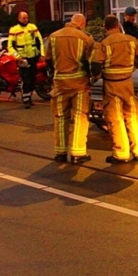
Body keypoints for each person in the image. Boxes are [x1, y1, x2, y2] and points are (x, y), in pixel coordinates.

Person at [91, 15, 138, 164]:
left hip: (112, 86)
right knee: (132, 117)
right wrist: (131, 69)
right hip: (128, 84)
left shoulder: (103, 44)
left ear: (105, 27)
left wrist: (96, 77)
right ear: (118, 25)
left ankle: (121, 153)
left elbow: (95, 66)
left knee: (115, 119)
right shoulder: (132, 40)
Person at [44, 14, 95, 165]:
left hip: (60, 83)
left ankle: (60, 152)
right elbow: (90, 62)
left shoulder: (53, 37)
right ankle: (78, 153)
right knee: (80, 116)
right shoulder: (86, 38)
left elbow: (48, 60)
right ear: (82, 23)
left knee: (60, 117)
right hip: (79, 84)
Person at [8, 10, 44, 109]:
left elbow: (40, 41)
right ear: (19, 19)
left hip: (33, 56)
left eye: (26, 18)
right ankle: (26, 99)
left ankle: (29, 97)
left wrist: (42, 54)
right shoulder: (14, 30)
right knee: (26, 79)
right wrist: (17, 56)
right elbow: (10, 46)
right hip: (22, 58)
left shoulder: (33, 27)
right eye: (23, 18)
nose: (25, 20)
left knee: (32, 78)